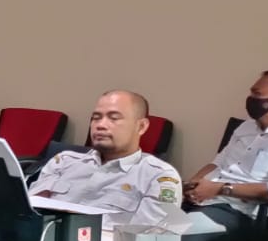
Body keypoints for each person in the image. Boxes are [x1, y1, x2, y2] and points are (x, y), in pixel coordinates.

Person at [29, 91, 183, 227]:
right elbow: (29, 213)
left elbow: (148, 240)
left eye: (114, 118)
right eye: (96, 118)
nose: (100, 125)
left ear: (141, 126)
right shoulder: (63, 161)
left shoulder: (158, 177)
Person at [180, 68, 268, 241]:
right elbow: (217, 163)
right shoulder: (245, 127)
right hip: (203, 199)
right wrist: (193, 183)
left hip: (237, 212)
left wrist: (218, 189)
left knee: (169, 239)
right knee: (143, 222)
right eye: (251, 92)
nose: (250, 98)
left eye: (257, 94)